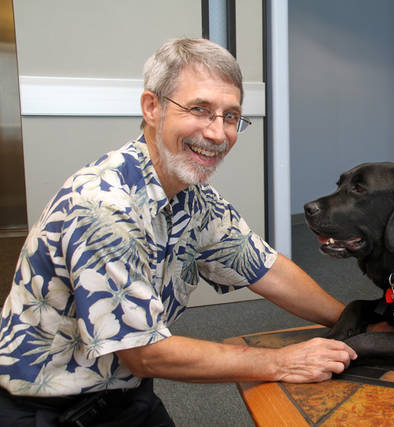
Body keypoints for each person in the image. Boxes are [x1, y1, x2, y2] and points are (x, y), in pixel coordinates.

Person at [0, 38, 356, 426]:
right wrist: (282, 361)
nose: (218, 134)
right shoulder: (103, 207)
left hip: (126, 391)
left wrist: (354, 321)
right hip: (48, 409)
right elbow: (144, 352)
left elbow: (265, 268)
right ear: (153, 108)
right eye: (199, 110)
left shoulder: (195, 197)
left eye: (231, 116)